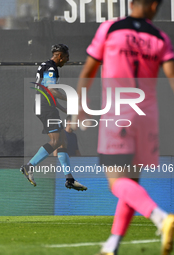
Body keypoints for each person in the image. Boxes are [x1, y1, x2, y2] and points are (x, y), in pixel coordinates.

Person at [76, 0, 174, 254]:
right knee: (131, 182)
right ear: (154, 6)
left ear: (131, 3)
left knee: (115, 182)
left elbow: (88, 71)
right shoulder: (161, 38)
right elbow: (172, 77)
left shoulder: (111, 29)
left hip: (119, 112)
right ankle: (112, 244)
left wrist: (81, 106)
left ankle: (161, 218)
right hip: (148, 115)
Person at [20, 44, 87, 191]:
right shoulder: (51, 68)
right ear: (60, 56)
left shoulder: (46, 65)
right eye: (66, 57)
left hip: (44, 105)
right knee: (56, 141)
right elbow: (51, 90)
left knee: (62, 142)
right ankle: (29, 166)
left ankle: (69, 179)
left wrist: (62, 108)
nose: (67, 61)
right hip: (45, 108)